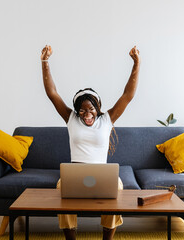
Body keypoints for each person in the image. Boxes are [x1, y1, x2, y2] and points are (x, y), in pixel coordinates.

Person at [41, 45, 140, 240]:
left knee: (118, 188)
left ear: (98, 107)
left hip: (102, 175)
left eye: (91, 109)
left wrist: (136, 63)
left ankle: (107, 238)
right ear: (77, 109)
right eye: (83, 110)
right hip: (75, 174)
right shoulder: (71, 118)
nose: (87, 114)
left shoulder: (107, 119)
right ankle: (70, 238)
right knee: (61, 188)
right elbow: (52, 93)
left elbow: (128, 95)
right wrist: (45, 62)